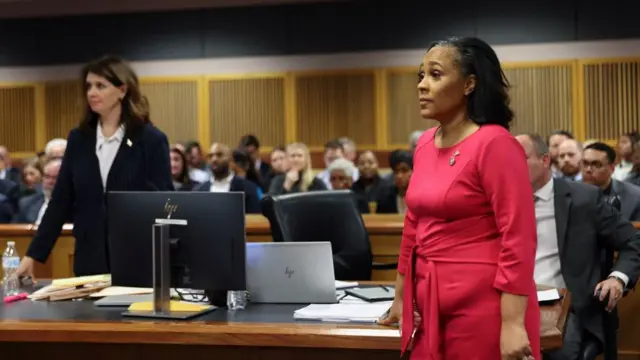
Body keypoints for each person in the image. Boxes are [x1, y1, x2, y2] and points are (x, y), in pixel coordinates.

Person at [377, 37, 540, 360]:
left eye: (435, 75)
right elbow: (413, 223)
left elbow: (518, 237)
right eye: (421, 76)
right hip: (428, 299)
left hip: (484, 304)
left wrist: (512, 322)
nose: (422, 86)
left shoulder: (496, 144)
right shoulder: (424, 143)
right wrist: (400, 296)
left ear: (468, 84)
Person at [16, 55, 173, 278]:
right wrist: (33, 256)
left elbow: (164, 201)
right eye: (89, 86)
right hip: (89, 261)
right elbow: (60, 201)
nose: (91, 92)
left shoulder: (150, 139)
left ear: (122, 90)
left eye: (101, 86)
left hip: (138, 258)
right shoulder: (79, 139)